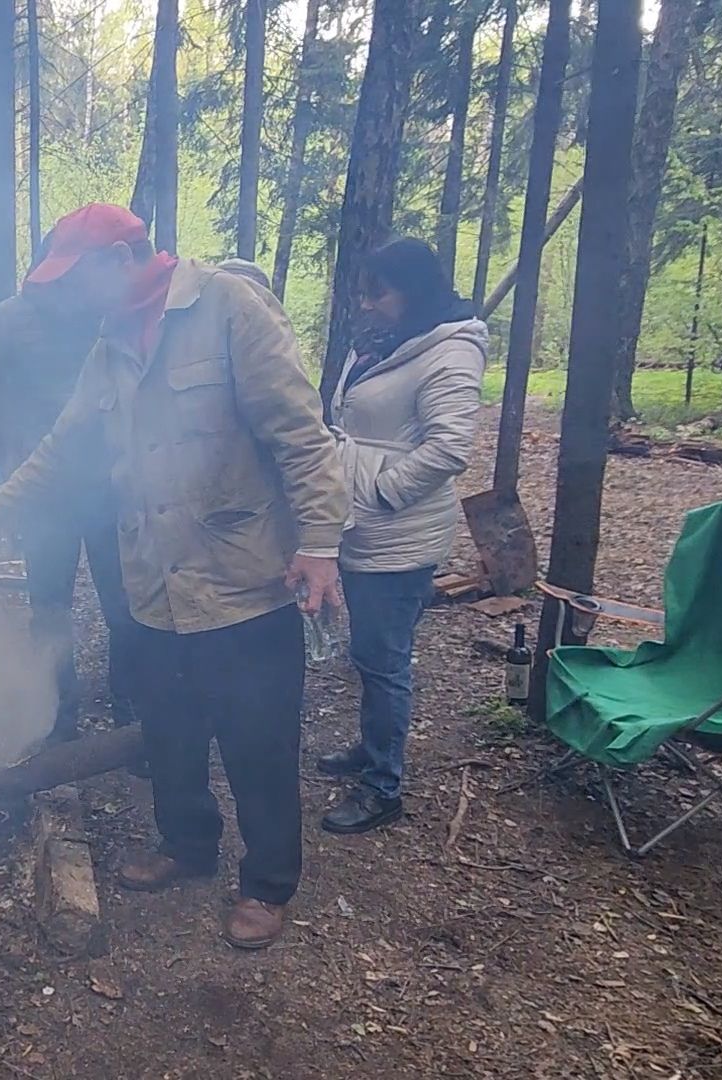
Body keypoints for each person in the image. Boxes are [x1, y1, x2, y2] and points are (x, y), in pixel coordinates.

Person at [0, 203, 348, 950]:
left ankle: (269, 883)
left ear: (120, 260)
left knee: (257, 741)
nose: (68, 298)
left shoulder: (230, 308)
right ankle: (188, 845)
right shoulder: (109, 342)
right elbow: (62, 443)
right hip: (152, 582)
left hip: (237, 578)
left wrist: (321, 543)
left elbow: (302, 436)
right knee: (170, 732)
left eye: (74, 280)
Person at [317, 237, 486, 834]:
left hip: (398, 531)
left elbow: (450, 448)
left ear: (413, 289)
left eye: (377, 291)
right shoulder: (385, 342)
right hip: (363, 521)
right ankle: (371, 748)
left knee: (384, 660)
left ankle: (384, 786)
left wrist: (381, 492)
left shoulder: (451, 352)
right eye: (364, 290)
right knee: (369, 652)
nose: (367, 303)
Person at [0, 236, 135, 742]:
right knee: (50, 607)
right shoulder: (10, 318)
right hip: (41, 490)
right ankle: (58, 716)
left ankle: (133, 721)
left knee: (127, 606)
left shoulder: (109, 315)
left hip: (113, 486)